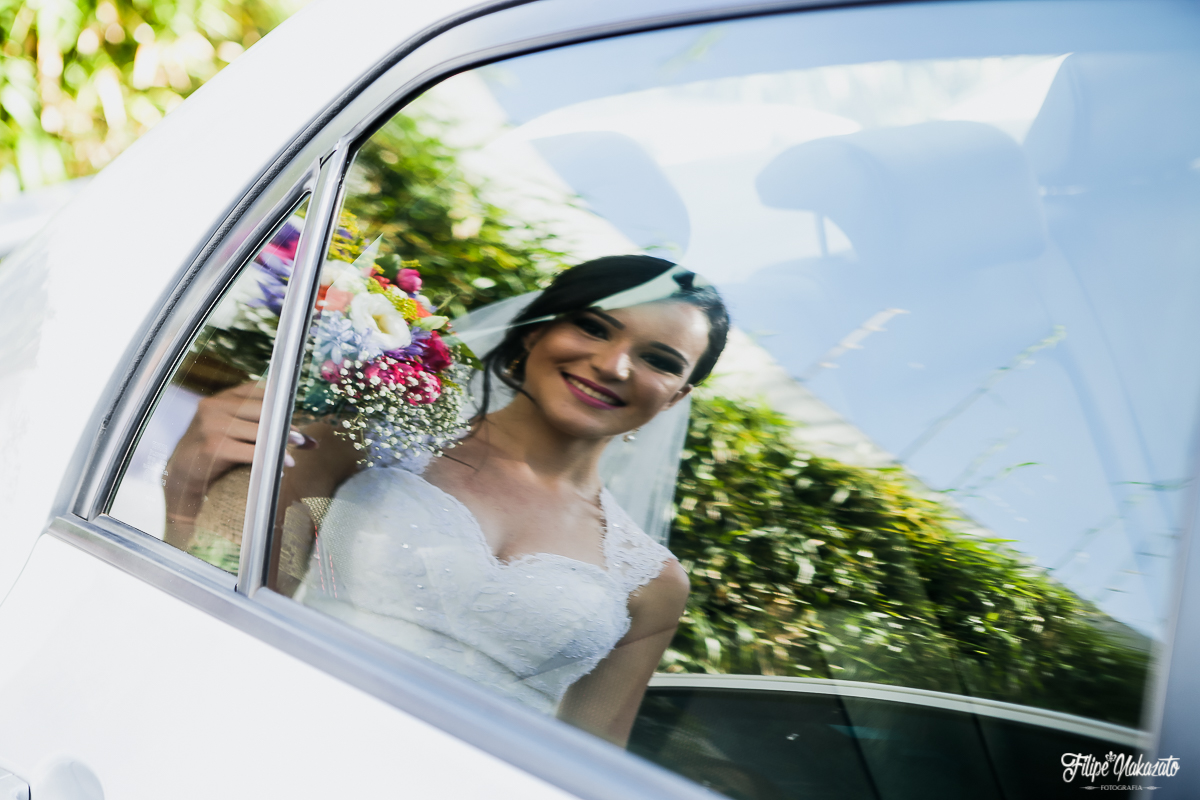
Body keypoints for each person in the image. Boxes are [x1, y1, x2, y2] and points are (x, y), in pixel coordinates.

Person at [169, 255, 730, 746]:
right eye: (592, 327)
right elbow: (221, 595)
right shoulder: (359, 445)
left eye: (660, 360)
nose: (614, 365)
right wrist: (190, 479)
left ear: (677, 396)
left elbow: (592, 759)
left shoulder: (654, 583)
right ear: (535, 331)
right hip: (273, 740)